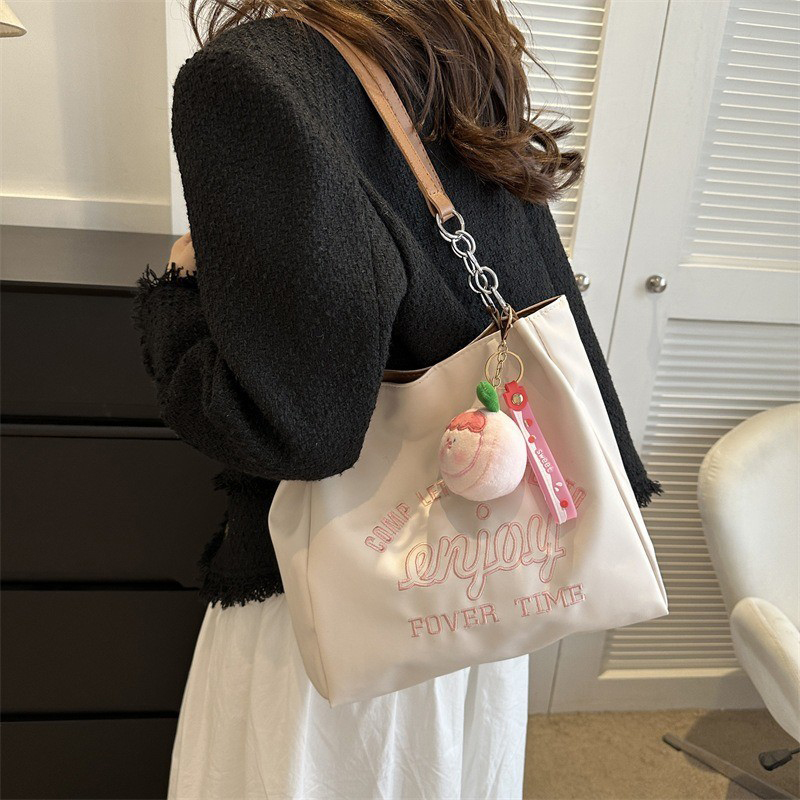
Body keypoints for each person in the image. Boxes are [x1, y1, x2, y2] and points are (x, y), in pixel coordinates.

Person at [132, 2, 661, 797]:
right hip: (481, 578)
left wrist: (176, 295)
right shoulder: (455, 40)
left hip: (341, 603)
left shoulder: (249, 77)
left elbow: (294, 431)